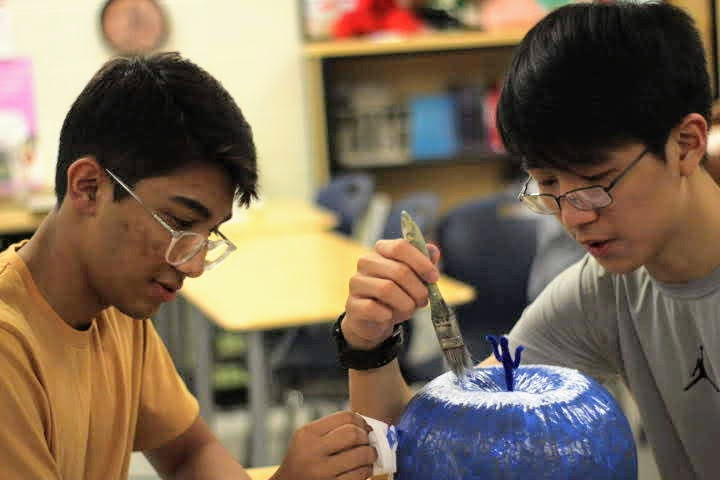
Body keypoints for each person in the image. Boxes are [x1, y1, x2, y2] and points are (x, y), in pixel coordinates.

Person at [338, 3, 720, 479]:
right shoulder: (604, 290)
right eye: (549, 186)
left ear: (685, 144)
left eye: (596, 181)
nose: (574, 216)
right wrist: (369, 344)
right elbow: (433, 443)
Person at [0, 52, 376, 480]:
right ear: (88, 188)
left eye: (208, 235)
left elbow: (189, 453)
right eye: (179, 223)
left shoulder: (115, 309)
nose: (194, 264)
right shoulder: (9, 348)